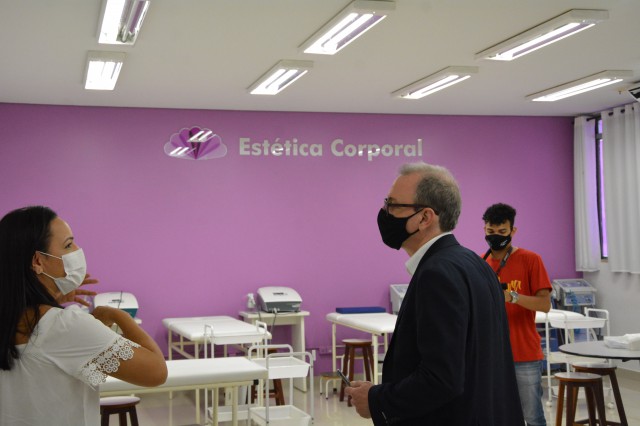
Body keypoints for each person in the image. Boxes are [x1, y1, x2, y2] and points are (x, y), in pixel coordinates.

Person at [345, 162, 524, 425]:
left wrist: (377, 399)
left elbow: (441, 379)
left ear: (425, 217)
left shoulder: (437, 274)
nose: (385, 212)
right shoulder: (476, 264)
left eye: (393, 205)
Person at [0, 206, 167, 425]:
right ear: (38, 261)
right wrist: (118, 315)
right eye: (68, 245)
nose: (78, 250)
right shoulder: (64, 326)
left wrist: (51, 300)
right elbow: (156, 372)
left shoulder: (10, 320)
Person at [482, 203, 552, 426]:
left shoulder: (531, 259)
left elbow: (545, 304)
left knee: (532, 417)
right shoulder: (480, 263)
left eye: (502, 231)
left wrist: (512, 297)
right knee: (496, 417)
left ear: (513, 231)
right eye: (491, 231)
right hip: (491, 356)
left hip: (524, 354)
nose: (496, 236)